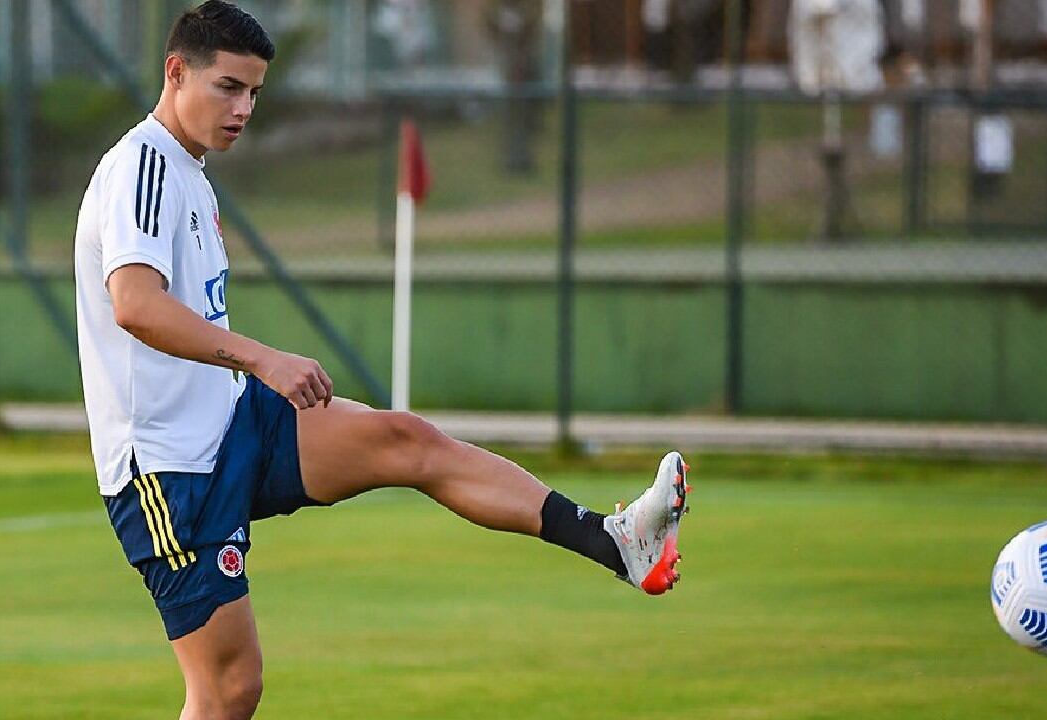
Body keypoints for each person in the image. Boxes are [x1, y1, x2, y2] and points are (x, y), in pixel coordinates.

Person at [73, 3, 689, 718]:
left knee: (407, 440)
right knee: (228, 690)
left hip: (230, 424)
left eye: (255, 93)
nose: (244, 109)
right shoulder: (142, 167)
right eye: (229, 88)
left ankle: (616, 542)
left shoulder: (190, 173)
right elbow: (136, 305)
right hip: (168, 469)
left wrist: (251, 376)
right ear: (176, 72)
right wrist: (263, 360)